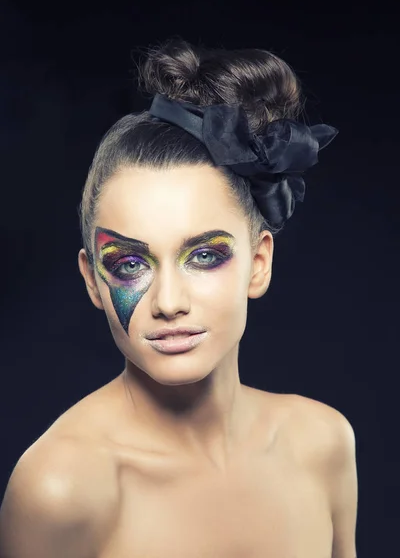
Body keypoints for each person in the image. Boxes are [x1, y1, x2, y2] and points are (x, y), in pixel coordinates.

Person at [0, 39, 358, 557]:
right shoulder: (61, 488)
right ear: (92, 280)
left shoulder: (322, 443)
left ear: (259, 262)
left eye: (205, 256)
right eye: (129, 264)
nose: (168, 301)